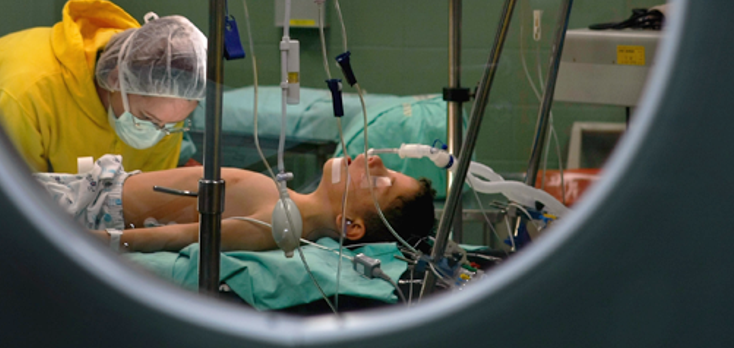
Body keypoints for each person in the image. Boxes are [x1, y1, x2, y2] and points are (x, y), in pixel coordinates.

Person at [0, 0, 207, 174]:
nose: (156, 133)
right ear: (117, 79)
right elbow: (15, 198)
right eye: (146, 118)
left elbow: (149, 195)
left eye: (168, 125)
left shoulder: (166, 118)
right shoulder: (29, 92)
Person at [35, 153, 436, 254]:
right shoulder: (283, 204)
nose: (373, 160)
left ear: (351, 226)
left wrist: (93, 241)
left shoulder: (280, 222)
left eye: (381, 181)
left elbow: (184, 236)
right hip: (89, 189)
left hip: (81, 209)